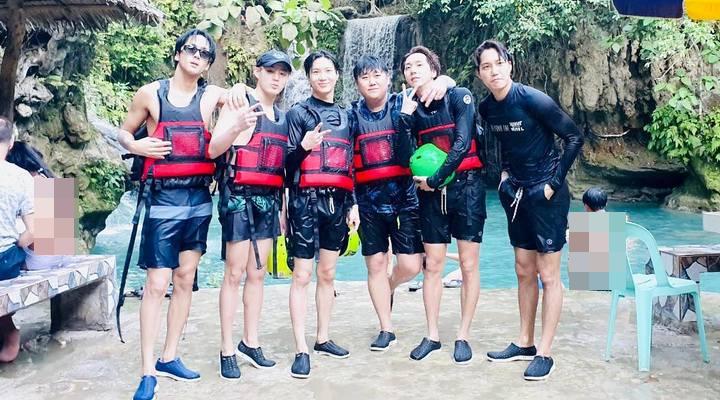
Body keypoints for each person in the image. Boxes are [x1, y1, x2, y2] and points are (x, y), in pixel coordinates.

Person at [117, 29, 248, 400]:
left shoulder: (211, 96)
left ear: (208, 64)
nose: (196, 56)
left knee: (185, 278)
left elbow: (240, 95)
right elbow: (123, 133)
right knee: (157, 284)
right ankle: (147, 371)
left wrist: (239, 87)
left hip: (199, 199)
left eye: (204, 54)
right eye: (191, 49)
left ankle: (169, 356)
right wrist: (137, 145)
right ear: (177, 54)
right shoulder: (150, 94)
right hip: (162, 199)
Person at [475, 39, 584, 381]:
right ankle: (524, 342)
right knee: (523, 269)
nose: (494, 71)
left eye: (499, 63)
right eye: (486, 66)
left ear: (510, 64)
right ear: (480, 74)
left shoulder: (533, 100)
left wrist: (553, 183)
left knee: (548, 275)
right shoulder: (487, 109)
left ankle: (545, 352)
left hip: (547, 194)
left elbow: (574, 137)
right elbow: (502, 146)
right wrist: (504, 177)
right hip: (516, 194)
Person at [350, 55, 456, 352]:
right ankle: (386, 329)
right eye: (364, 77)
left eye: (377, 75)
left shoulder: (405, 102)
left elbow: (439, 89)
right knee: (375, 264)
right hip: (368, 200)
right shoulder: (351, 115)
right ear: (357, 83)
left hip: (405, 198)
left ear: (387, 78)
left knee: (410, 265)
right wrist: (351, 202)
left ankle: (390, 285)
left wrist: (445, 80)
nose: (372, 82)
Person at [208, 50, 292, 380]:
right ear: (258, 72)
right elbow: (214, 149)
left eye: (282, 73)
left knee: (258, 274)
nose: (276, 78)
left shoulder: (282, 117)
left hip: (269, 200)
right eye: (270, 71)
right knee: (234, 273)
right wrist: (236, 127)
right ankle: (226, 348)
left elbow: (281, 168)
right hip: (239, 198)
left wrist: (283, 209)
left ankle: (250, 341)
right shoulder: (239, 103)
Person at [401, 46, 486, 365]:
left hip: (466, 188)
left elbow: (462, 144)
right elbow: (403, 154)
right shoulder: (410, 108)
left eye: (419, 64)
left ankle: (463, 335)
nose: (413, 70)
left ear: (434, 70)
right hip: (429, 195)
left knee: (468, 265)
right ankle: (432, 335)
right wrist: (403, 118)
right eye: (408, 67)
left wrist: (436, 180)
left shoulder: (459, 95)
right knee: (433, 265)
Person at [285, 50, 360, 379]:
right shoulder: (298, 113)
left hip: (338, 202)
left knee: (327, 273)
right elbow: (286, 164)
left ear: (337, 75)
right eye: (316, 71)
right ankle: (301, 348)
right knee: (302, 276)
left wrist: (353, 203)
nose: (323, 76)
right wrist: (304, 146)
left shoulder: (347, 116)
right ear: (309, 77)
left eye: (328, 70)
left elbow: (350, 164)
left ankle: (322, 338)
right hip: (305, 200)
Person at [0, 117, 34, 363]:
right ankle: (9, 331)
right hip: (7, 258)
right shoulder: (24, 177)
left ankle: (9, 332)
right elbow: (34, 232)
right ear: (11, 142)